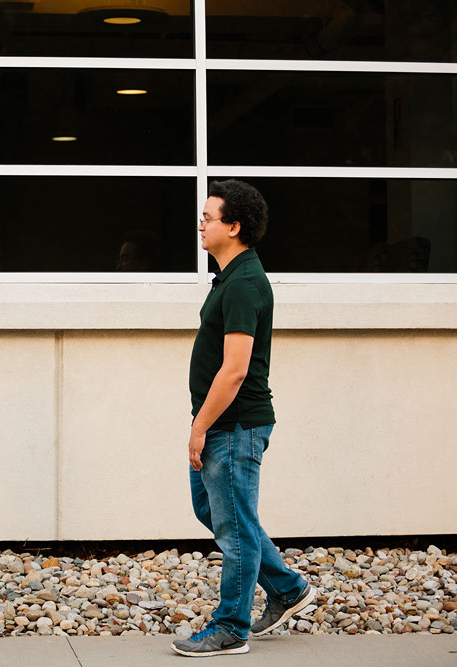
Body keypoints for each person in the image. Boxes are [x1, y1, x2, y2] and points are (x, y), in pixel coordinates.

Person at [170, 180, 315, 658]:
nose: (201, 224)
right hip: (224, 424)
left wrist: (199, 427)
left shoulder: (246, 283)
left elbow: (234, 371)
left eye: (209, 217)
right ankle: (289, 589)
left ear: (234, 226)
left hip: (235, 425)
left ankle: (231, 627)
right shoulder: (232, 278)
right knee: (218, 512)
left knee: (234, 528)